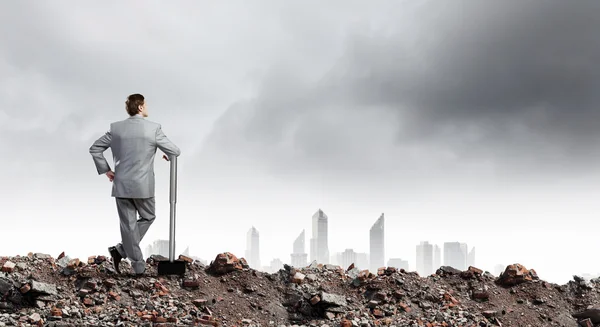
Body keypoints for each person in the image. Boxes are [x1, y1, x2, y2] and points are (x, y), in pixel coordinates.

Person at [89, 94, 181, 276]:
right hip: (143, 186)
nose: (147, 108)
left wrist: (107, 170)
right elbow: (175, 151)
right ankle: (134, 263)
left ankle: (123, 251)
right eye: (145, 105)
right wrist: (168, 155)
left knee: (128, 225)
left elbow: (95, 148)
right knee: (148, 217)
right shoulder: (153, 128)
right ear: (140, 107)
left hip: (121, 184)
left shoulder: (116, 129)